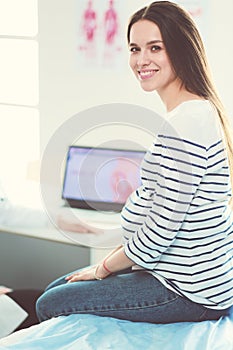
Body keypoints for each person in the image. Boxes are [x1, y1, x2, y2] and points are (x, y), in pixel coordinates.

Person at [36, 1, 233, 324]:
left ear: (182, 49)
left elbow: (161, 229)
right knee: (56, 289)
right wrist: (103, 234)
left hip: (189, 292)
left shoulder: (189, 121)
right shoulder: (187, 115)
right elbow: (159, 213)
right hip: (174, 275)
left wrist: (103, 267)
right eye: (134, 48)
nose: (142, 60)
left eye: (155, 47)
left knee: (51, 303)